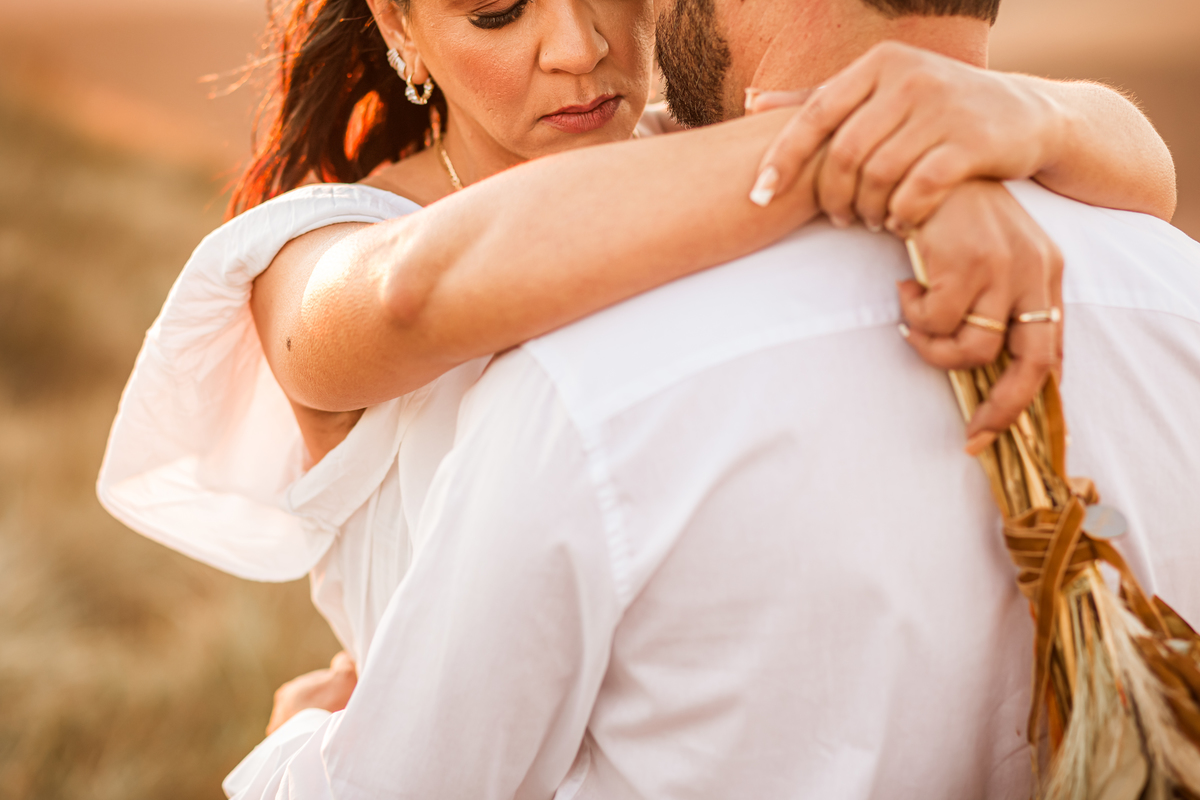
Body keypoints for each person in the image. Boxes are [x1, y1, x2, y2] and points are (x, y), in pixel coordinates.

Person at [95, 0, 1176, 780]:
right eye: (497, 10)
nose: (577, 47)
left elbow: (1148, 170)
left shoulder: (684, 160)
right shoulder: (317, 247)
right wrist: (909, 145)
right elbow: (418, 292)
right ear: (398, 26)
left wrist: (1001, 121)